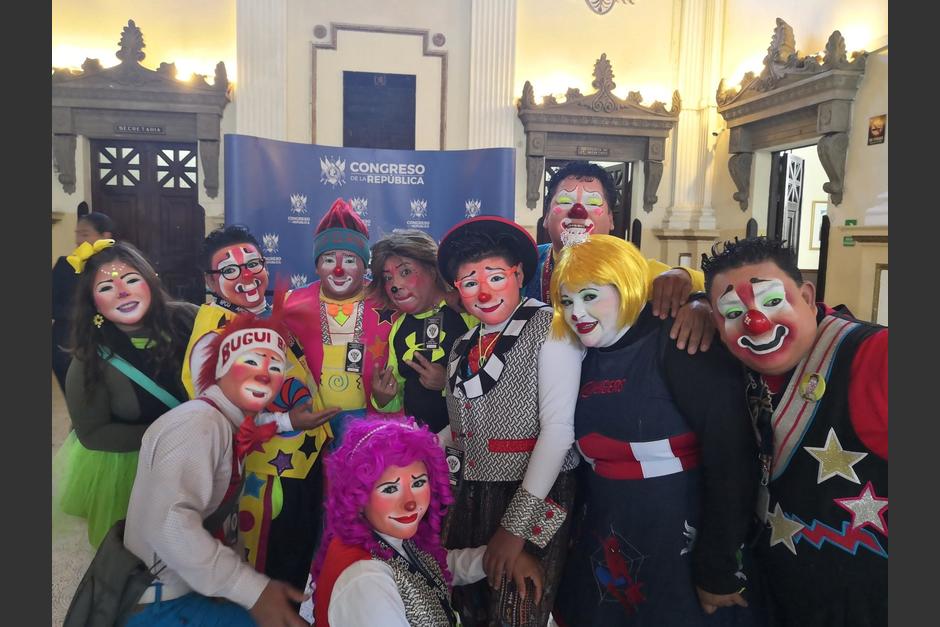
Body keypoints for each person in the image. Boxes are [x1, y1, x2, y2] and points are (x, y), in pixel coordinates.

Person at [549, 235, 759, 626]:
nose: (577, 312)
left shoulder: (678, 339)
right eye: (567, 301)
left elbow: (731, 455)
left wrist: (717, 564)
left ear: (627, 286)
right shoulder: (574, 352)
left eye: (590, 296)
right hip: (602, 540)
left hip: (680, 542)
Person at [702, 237, 887, 627]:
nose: (755, 322)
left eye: (772, 301)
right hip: (784, 596)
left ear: (806, 296)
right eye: (733, 312)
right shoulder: (737, 368)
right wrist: (686, 295)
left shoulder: (875, 356)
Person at [123, 296, 309, 626]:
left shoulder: (223, 419)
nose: (265, 375)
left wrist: (289, 421)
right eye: (251, 362)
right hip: (164, 600)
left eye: (275, 367)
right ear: (222, 367)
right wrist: (250, 589)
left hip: (188, 585)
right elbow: (168, 525)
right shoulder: (199, 425)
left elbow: (254, 425)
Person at [436, 216, 583, 626]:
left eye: (495, 277)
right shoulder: (463, 344)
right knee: (467, 607)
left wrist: (515, 528)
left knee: (517, 610)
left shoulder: (550, 328)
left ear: (518, 274)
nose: (483, 292)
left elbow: (558, 432)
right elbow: (462, 425)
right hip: (470, 492)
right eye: (470, 283)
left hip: (535, 493)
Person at [183, 224, 339, 589]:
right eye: (230, 270)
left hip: (300, 465)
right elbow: (217, 422)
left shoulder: (262, 316)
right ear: (210, 280)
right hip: (266, 481)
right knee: (269, 575)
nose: (247, 276)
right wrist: (288, 422)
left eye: (253, 264)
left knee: (296, 565)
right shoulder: (212, 338)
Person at [302, 418, 545, 626]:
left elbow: (431, 567)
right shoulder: (366, 580)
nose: (410, 503)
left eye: (418, 483)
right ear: (359, 497)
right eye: (390, 489)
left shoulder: (384, 534)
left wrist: (493, 559)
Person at [54, 240, 196, 548]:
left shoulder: (189, 320)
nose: (122, 292)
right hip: (132, 472)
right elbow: (92, 434)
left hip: (198, 460)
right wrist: (170, 435)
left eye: (131, 280)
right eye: (106, 287)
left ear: (151, 280)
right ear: (93, 303)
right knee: (136, 556)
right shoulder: (90, 360)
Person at [527, 161, 715, 353]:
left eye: (593, 203)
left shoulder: (633, 269)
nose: (578, 211)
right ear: (546, 217)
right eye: (565, 201)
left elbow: (709, 285)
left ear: (611, 219)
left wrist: (700, 300)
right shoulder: (526, 261)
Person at [284, 198, 398, 447]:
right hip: (314, 426)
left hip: (370, 420)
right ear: (316, 267)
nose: (338, 270)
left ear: (364, 265)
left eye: (349, 260)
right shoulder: (291, 305)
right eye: (328, 260)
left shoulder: (389, 302)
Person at [367, 229, 477, 439]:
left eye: (405, 272)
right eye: (388, 278)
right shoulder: (398, 328)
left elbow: (495, 384)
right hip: (420, 445)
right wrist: (383, 398)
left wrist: (448, 382)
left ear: (432, 270)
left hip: (468, 442)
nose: (395, 286)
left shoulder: (467, 313)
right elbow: (396, 395)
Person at [52, 210, 116, 394]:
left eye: (85, 234)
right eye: (77, 234)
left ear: (105, 236)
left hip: (107, 342)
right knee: (75, 395)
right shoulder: (65, 265)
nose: (78, 240)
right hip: (67, 341)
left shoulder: (116, 267)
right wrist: (82, 314)